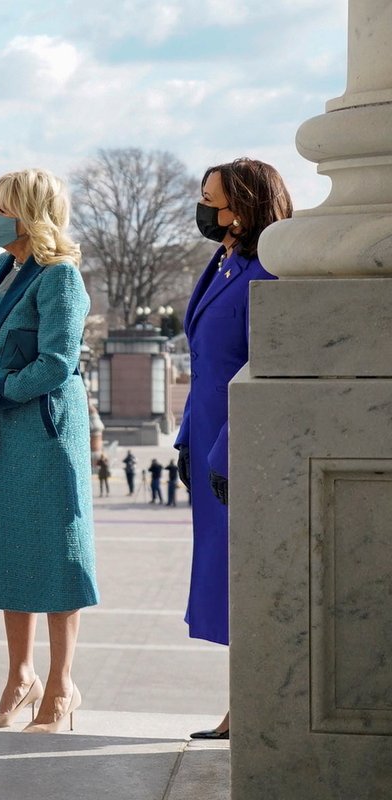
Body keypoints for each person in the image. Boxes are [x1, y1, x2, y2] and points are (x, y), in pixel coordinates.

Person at [0, 168, 98, 734]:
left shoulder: (60, 278)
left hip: (44, 430)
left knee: (57, 551)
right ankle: (21, 679)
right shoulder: (5, 268)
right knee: (12, 547)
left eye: (0, 205)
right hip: (6, 430)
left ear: (27, 212)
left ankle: (61, 687)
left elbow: (58, 363)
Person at [176, 158, 290, 740]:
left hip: (239, 454)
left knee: (243, 579)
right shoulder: (224, 262)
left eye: (211, 199)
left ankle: (250, 706)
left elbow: (259, 368)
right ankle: (238, 705)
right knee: (225, 581)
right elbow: (204, 364)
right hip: (208, 446)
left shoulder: (269, 269)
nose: (204, 208)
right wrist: (185, 439)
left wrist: (222, 450)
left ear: (243, 205)